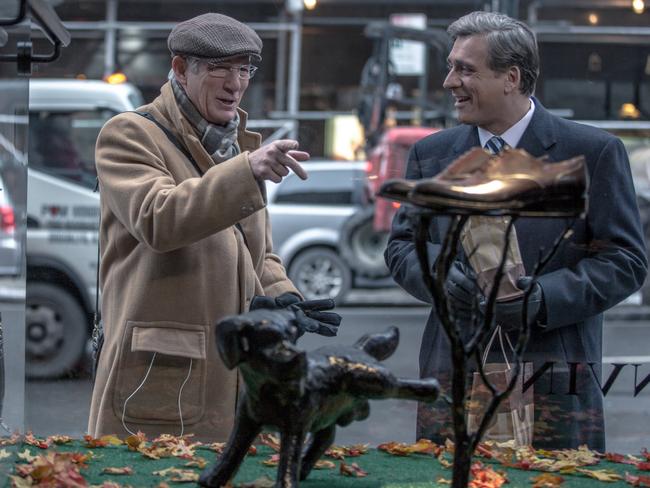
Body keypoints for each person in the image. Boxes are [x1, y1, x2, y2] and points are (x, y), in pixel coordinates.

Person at [384, 11, 647, 450]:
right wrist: (442, 278)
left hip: (553, 378)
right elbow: (403, 248)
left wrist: (543, 299)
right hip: (454, 373)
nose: (450, 81)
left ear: (511, 77)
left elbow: (625, 261)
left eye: (465, 69)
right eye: (451, 67)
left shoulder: (592, 152)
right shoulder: (432, 155)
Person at [88, 13, 339, 442]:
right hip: (159, 374)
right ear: (181, 68)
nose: (235, 83)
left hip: (238, 374)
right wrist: (245, 170)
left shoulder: (235, 147)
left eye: (244, 69)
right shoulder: (130, 133)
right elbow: (158, 218)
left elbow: (257, 252)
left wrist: (284, 299)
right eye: (220, 68)